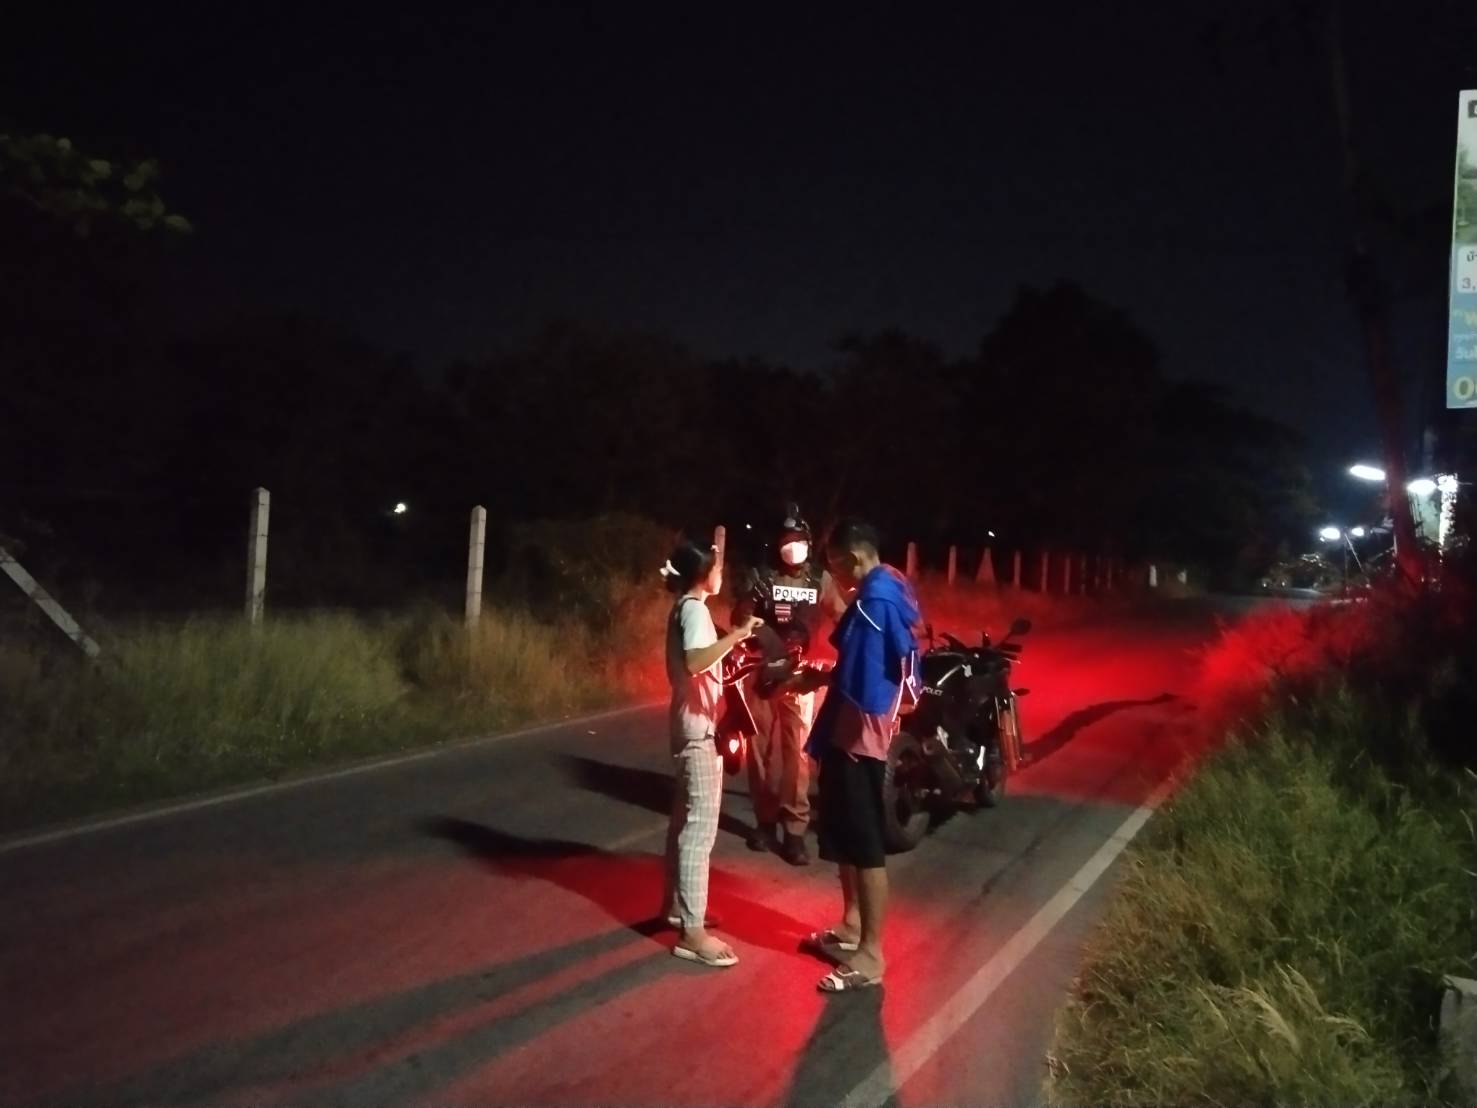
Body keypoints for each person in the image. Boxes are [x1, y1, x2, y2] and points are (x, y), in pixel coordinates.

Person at [797, 519, 920, 992]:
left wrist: (819, 678)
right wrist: (825, 676)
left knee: (866, 846)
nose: (833, 573)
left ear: (853, 557)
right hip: (850, 733)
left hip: (860, 739)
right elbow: (863, 664)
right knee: (845, 835)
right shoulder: (889, 585)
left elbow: (863, 681)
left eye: (834, 564)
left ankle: (871, 954)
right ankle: (851, 925)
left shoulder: (874, 602)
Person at [660, 537, 763, 969]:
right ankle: (692, 932)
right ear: (703, 573)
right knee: (699, 831)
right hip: (699, 731)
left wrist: (737, 647)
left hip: (688, 723)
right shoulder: (695, 610)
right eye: (718, 566)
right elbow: (696, 661)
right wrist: (737, 634)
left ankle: (679, 908)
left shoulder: (687, 608)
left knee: (684, 822)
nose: (723, 572)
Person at [729, 504, 845, 865]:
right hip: (762, 673)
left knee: (797, 754)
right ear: (776, 545)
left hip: (801, 677)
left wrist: (849, 654)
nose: (793, 546)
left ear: (808, 541)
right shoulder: (762, 576)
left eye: (798, 539)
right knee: (758, 751)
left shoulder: (820, 580)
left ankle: (795, 830)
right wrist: (751, 607)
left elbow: (842, 618)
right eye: (786, 540)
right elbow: (739, 619)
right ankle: (765, 822)